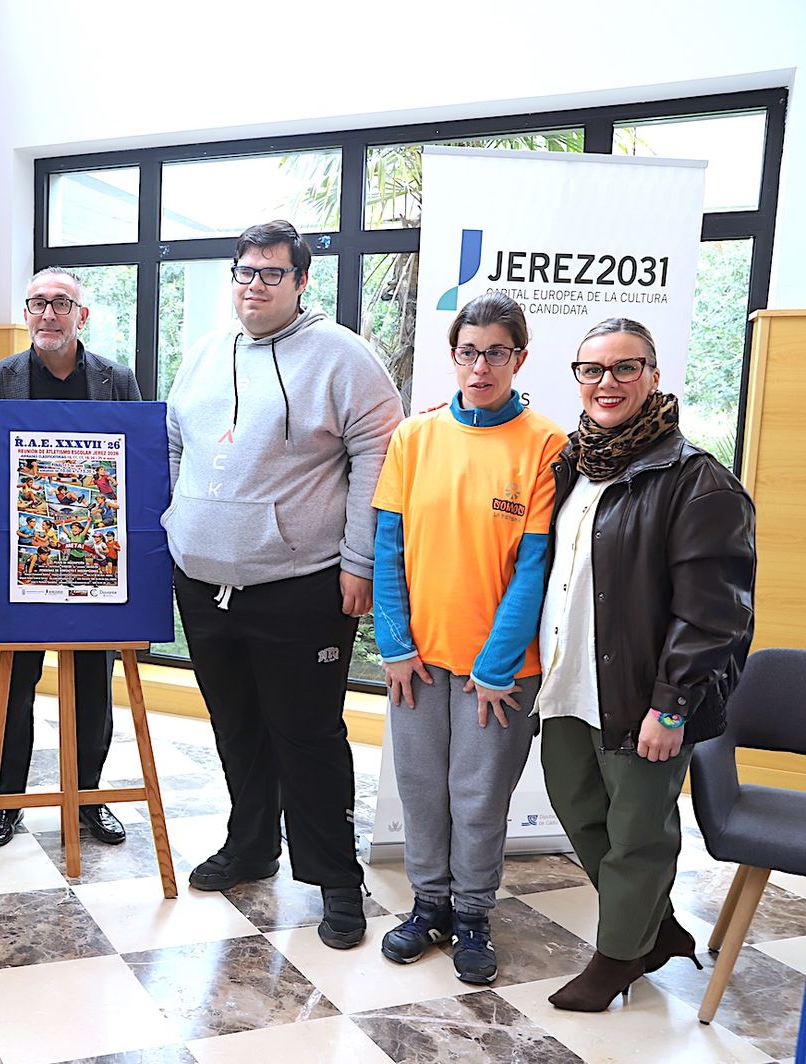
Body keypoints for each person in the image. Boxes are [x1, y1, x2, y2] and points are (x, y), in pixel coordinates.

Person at [164, 220, 402, 949]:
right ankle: (251, 847)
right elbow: (176, 443)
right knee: (235, 728)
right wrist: (178, 524)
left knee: (307, 737)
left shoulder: (344, 357)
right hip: (203, 584)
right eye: (244, 272)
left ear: (302, 282)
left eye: (272, 273)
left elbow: (379, 459)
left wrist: (359, 563)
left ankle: (336, 880)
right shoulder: (204, 353)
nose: (255, 285)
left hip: (301, 585)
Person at [536, 318, 755, 1011]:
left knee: (637, 834)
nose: (608, 383)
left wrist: (672, 705)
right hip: (569, 683)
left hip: (643, 696)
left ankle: (618, 958)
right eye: (592, 370)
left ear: (654, 378)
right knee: (581, 813)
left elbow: (713, 614)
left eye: (625, 368)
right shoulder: (573, 465)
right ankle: (654, 930)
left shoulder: (697, 482)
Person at [371, 292, 567, 984]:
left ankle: (474, 915)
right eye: (468, 351)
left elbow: (535, 567)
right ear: (452, 355)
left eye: (496, 352)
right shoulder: (413, 438)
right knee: (422, 787)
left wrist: (497, 664)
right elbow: (388, 547)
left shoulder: (546, 444)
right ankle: (428, 906)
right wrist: (394, 643)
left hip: (501, 669)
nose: (480, 365)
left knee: (479, 795)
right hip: (417, 660)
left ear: (519, 357)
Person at [0, 266, 143, 849]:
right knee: (15, 684)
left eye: (61, 304)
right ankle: (7, 800)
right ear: (25, 314)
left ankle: (88, 796)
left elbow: (135, 460)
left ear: (81, 316)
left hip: (93, 560)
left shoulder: (117, 378)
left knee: (93, 681)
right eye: (37, 303)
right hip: (21, 561)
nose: (48, 314)